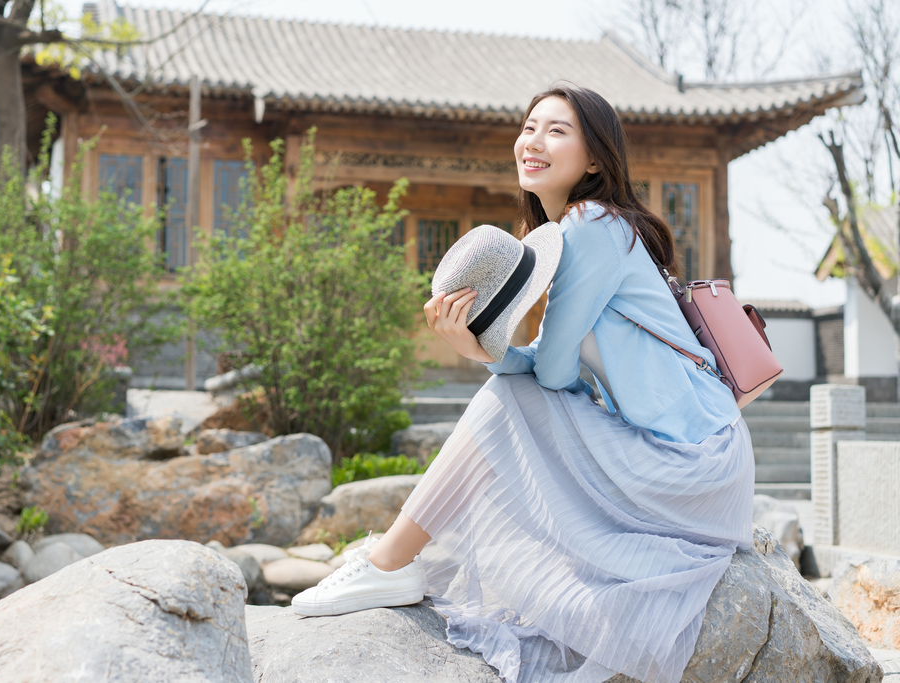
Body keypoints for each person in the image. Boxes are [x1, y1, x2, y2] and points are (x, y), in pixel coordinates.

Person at [292, 85, 754, 683]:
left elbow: (556, 371)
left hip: (690, 464)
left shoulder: (592, 225)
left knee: (511, 394)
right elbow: (551, 364)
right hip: (692, 457)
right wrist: (481, 350)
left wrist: (487, 353)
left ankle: (390, 562)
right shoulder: (584, 227)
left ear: (595, 160)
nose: (532, 141)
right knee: (511, 390)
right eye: (529, 126)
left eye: (556, 130)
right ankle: (390, 562)